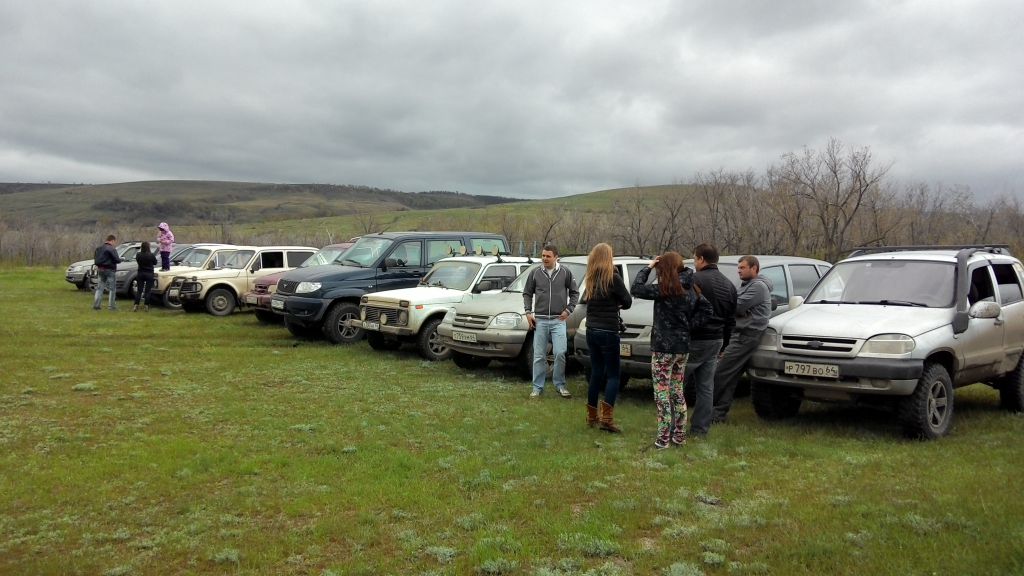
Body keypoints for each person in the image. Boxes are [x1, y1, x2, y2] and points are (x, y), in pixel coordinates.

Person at [631, 252, 713, 449]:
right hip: (682, 348)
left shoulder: (666, 288)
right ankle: (679, 436)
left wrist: (648, 267)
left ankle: (663, 439)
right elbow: (708, 310)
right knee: (677, 391)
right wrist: (688, 326)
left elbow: (636, 288)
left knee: (661, 394)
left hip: (663, 349)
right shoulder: (691, 287)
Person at [684, 243, 738, 437]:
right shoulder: (729, 285)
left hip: (695, 338)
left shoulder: (694, 279)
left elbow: (685, 308)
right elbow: (731, 320)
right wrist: (725, 344)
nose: (694, 262)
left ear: (701, 259)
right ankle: (700, 429)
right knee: (706, 387)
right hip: (716, 340)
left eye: (694, 258)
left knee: (675, 382)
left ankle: (672, 425)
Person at [712, 255, 773, 423]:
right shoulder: (746, 285)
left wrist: (734, 307)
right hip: (739, 334)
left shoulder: (758, 286)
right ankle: (717, 414)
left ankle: (706, 408)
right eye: (738, 268)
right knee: (730, 376)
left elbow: (736, 306)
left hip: (746, 336)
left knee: (720, 372)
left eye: (743, 268)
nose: (739, 271)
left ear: (754, 268)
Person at [581, 243, 633, 431]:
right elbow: (627, 301)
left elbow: (586, 300)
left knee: (596, 372)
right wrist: (616, 304)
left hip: (591, 329)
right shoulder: (613, 277)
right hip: (608, 331)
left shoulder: (590, 278)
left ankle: (592, 416)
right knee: (613, 375)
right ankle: (607, 419)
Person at [523, 244, 580, 399]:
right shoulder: (535, 273)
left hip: (558, 321)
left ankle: (560, 385)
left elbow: (575, 293)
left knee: (560, 353)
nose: (545, 258)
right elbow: (527, 293)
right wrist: (528, 312)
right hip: (540, 320)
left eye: (548, 256)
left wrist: (568, 310)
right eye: (543, 256)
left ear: (556, 257)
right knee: (539, 356)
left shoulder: (565, 272)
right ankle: (537, 388)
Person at [93, 234, 122, 311]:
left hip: (100, 269)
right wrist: (120, 260)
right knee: (112, 289)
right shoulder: (111, 249)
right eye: (114, 242)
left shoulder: (99, 248)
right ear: (112, 240)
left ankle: (96, 305)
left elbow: (95, 258)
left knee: (100, 288)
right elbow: (117, 260)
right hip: (110, 270)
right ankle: (111, 306)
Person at [134, 241, 157, 312]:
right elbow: (155, 262)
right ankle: (146, 305)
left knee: (139, 290)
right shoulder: (151, 255)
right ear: (148, 247)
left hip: (140, 273)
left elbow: (137, 261)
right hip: (149, 273)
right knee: (148, 290)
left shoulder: (138, 254)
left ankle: (136, 305)